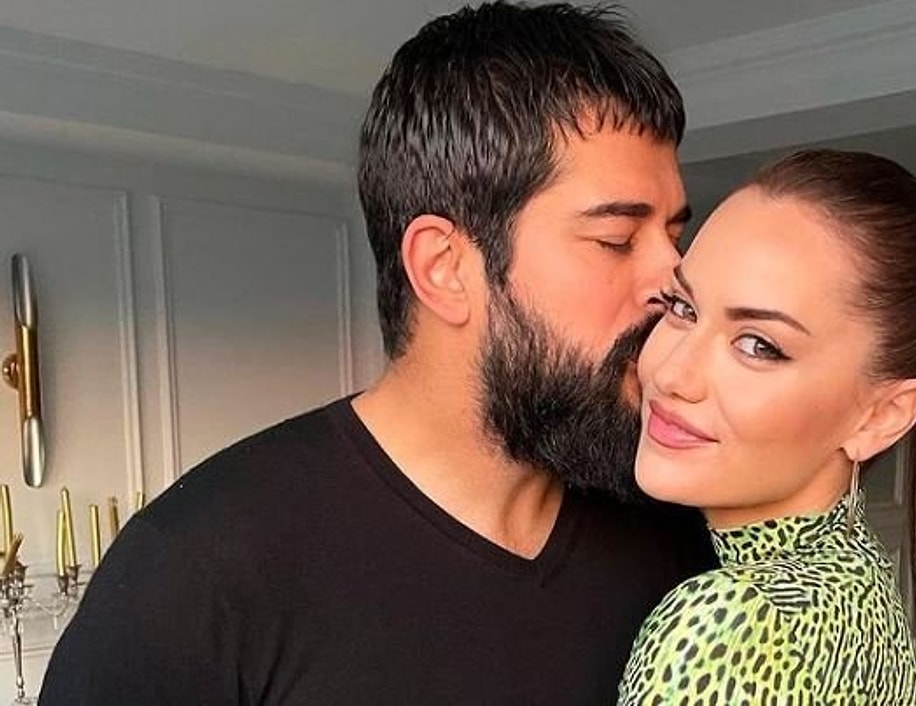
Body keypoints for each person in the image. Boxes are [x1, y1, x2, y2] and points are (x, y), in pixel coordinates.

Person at [40, 3, 714, 704]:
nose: (676, 284)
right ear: (444, 268)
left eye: (673, 237)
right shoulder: (196, 575)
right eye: (615, 240)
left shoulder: (677, 533)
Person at [617, 149, 916, 706]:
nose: (671, 374)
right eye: (683, 308)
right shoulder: (858, 582)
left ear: (883, 416)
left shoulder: (733, 622)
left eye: (758, 345)